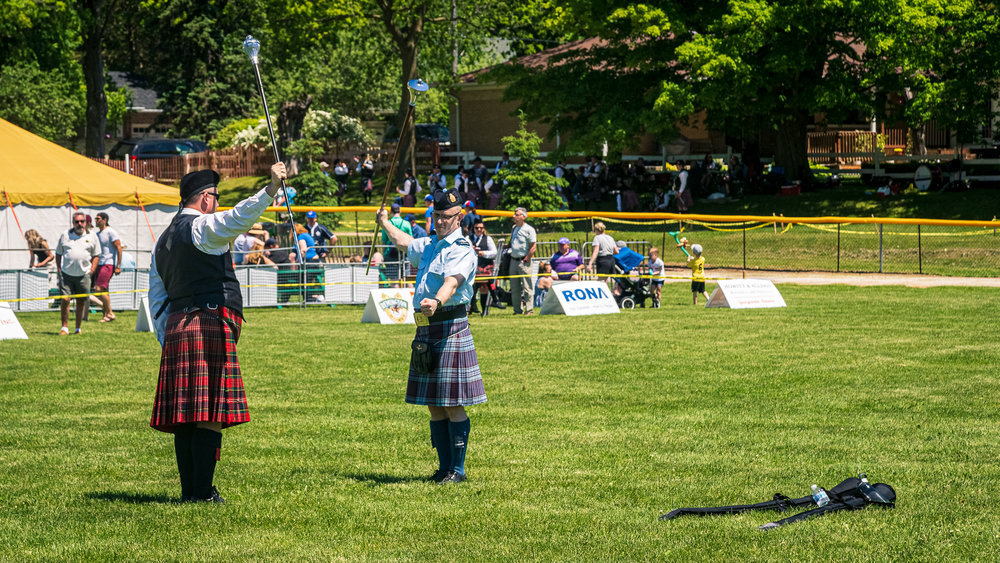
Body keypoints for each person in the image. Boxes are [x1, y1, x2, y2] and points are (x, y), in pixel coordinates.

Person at [148, 162, 287, 503]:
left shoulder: (163, 240)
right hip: (208, 322)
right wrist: (270, 188)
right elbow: (237, 218)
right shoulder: (202, 227)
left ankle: (190, 492)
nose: (218, 205)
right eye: (217, 198)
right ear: (206, 199)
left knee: (185, 416)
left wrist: (167, 337)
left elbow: (155, 297)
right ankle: (202, 494)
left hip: (179, 326)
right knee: (208, 413)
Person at [376, 188, 486, 485]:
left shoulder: (462, 248)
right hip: (426, 327)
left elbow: (452, 281)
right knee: (434, 402)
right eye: (436, 216)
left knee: (451, 401)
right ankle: (443, 468)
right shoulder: (429, 244)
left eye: (446, 217)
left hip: (450, 324)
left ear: (459, 217)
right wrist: (384, 222)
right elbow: (404, 242)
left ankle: (458, 470)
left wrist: (436, 300)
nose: (440, 222)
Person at [55, 212, 100, 335]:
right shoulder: (65, 235)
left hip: (84, 274)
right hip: (66, 274)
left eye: (82, 221)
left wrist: (92, 270)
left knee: (81, 301)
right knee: (65, 300)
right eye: (76, 222)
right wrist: (59, 268)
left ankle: (77, 328)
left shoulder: (92, 236)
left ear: (86, 222)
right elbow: (58, 253)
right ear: (73, 223)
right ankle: (64, 328)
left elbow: (96, 255)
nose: (79, 224)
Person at [93, 212, 123, 323]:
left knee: (99, 288)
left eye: (98, 219)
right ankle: (106, 314)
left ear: (105, 220)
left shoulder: (111, 232)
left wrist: (118, 266)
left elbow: (119, 248)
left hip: (108, 264)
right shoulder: (97, 234)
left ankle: (110, 312)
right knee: (103, 290)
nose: (96, 221)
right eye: (95, 219)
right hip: (99, 264)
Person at [508, 207, 536, 315]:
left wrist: (528, 257)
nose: (514, 216)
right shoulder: (514, 227)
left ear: (523, 217)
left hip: (524, 261)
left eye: (517, 214)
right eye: (514, 214)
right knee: (514, 288)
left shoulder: (529, 229)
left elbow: (533, 246)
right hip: (513, 260)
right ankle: (517, 310)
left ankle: (529, 310)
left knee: (527, 287)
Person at [467, 218, 497, 315]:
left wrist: (483, 253)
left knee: (484, 287)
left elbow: (494, 253)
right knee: (471, 288)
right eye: (477, 228)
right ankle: (471, 309)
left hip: (484, 266)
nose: (479, 230)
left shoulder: (488, 239)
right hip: (471, 267)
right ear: (473, 229)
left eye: (481, 228)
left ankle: (484, 311)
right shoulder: (468, 239)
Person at [382, 202, 412, 287]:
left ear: (391, 212)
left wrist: (384, 254)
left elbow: (384, 240)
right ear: (400, 211)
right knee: (407, 278)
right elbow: (411, 238)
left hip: (390, 253)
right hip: (404, 252)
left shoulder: (387, 224)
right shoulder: (406, 223)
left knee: (394, 281)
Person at [294, 223, 323, 302]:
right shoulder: (307, 234)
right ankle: (310, 298)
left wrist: (298, 261)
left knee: (305, 280)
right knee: (309, 280)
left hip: (310, 261)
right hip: (315, 260)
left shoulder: (301, 236)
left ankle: (308, 299)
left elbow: (303, 250)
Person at [679, 239, 710, 305]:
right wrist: (692, 259)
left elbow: (688, 265)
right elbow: (697, 260)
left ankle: (695, 304)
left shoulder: (693, 261)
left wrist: (688, 260)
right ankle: (708, 299)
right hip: (702, 277)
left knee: (695, 291)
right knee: (703, 290)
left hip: (695, 278)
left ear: (694, 252)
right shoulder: (703, 259)